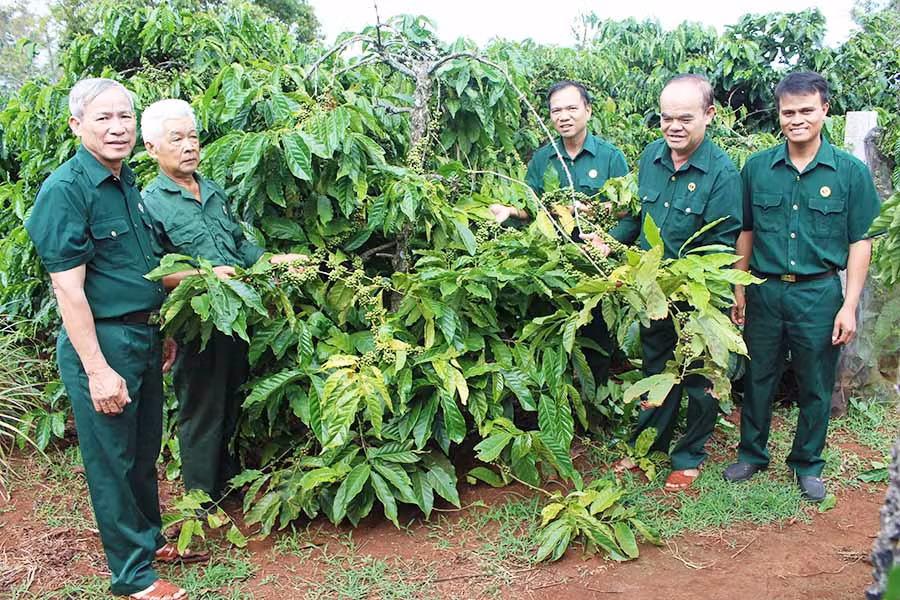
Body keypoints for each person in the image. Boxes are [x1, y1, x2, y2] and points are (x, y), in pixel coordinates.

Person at [25, 79, 190, 600]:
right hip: (101, 343)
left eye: (125, 116)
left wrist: (157, 329)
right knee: (112, 459)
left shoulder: (124, 183)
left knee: (143, 453)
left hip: (140, 336)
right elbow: (68, 291)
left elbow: (139, 268)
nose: (117, 127)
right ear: (77, 126)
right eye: (103, 119)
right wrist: (97, 368)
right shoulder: (66, 190)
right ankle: (133, 576)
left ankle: (150, 541)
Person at [140, 98, 306, 506]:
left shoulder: (212, 190)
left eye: (193, 137)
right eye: (175, 138)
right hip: (196, 324)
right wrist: (207, 277)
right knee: (201, 408)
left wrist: (272, 261)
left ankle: (227, 486)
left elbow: (237, 244)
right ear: (151, 148)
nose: (188, 146)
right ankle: (199, 500)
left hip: (238, 315)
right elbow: (154, 272)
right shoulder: (149, 202)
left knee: (233, 398)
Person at [725, 72, 881, 502]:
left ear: (824, 110)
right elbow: (746, 232)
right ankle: (752, 455)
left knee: (816, 382)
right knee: (758, 376)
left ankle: (807, 463)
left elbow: (860, 242)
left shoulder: (849, 172)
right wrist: (740, 290)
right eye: (788, 112)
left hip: (819, 294)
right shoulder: (757, 169)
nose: (797, 119)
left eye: (806, 110)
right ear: (779, 115)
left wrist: (848, 306)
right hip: (765, 291)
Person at [597, 74, 743, 491]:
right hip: (653, 293)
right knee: (657, 368)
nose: (673, 126)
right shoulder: (650, 157)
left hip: (697, 296)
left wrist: (683, 282)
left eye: (684, 117)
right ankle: (649, 447)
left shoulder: (722, 174)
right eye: (665, 118)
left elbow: (719, 247)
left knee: (698, 376)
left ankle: (689, 456)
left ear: (709, 116)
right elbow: (638, 221)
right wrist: (610, 245)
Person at [491, 80, 628, 390]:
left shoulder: (610, 156)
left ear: (588, 111)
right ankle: (559, 395)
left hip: (597, 261)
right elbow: (533, 205)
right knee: (557, 331)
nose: (563, 116)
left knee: (598, 333)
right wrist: (512, 211)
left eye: (571, 108)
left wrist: (594, 210)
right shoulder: (543, 159)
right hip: (555, 262)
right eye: (556, 110)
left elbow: (626, 207)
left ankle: (597, 400)